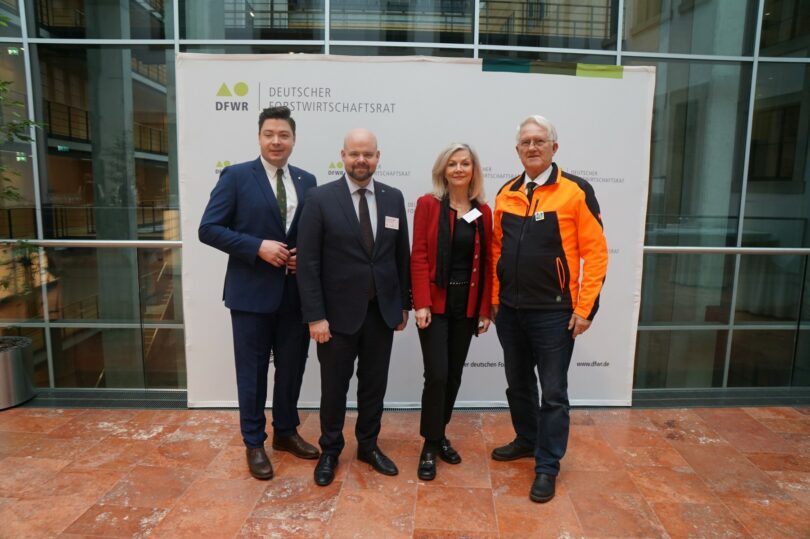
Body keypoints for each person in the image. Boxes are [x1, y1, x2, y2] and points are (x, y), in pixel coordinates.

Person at [490, 115, 608, 502]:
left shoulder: (575, 190)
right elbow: (496, 251)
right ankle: (527, 439)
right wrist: (495, 299)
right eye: (526, 142)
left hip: (554, 313)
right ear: (517, 150)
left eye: (540, 141)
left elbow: (596, 253)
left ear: (554, 147)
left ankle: (547, 465)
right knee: (518, 384)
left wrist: (586, 308)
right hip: (510, 311)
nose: (532, 147)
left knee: (553, 393)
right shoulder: (507, 192)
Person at [198, 106, 320, 481]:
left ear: (294, 139)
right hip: (250, 295)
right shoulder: (236, 176)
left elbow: (312, 233)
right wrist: (257, 247)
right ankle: (254, 442)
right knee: (251, 373)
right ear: (259, 137)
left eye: (283, 135)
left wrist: (304, 256)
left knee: (292, 369)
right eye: (269, 134)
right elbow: (208, 228)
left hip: (294, 295)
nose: (276, 141)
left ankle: (285, 432)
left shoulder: (307, 180)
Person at [297, 128, 411, 487]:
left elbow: (400, 256)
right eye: (354, 154)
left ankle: (368, 445)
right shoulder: (319, 198)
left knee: (374, 386)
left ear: (378, 157)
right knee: (334, 388)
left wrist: (403, 304)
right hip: (335, 318)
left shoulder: (393, 198)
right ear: (343, 156)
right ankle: (330, 450)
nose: (361, 160)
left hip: (381, 313)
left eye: (368, 154)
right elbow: (308, 263)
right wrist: (315, 316)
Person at [410, 143, 492, 481]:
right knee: (438, 375)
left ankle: (439, 433)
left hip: (466, 305)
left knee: (454, 375)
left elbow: (487, 264)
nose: (459, 169)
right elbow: (419, 255)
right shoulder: (428, 205)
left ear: (473, 170)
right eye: (452, 164)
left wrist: (485, 310)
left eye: (465, 163)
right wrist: (421, 302)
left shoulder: (482, 211)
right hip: (435, 305)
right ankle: (430, 444)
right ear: (443, 170)